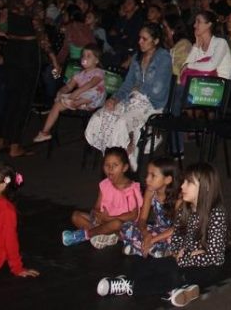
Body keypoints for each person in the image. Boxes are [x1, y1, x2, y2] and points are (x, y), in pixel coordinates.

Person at [97, 163, 230, 308]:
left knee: (173, 274)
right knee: (153, 263)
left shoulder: (216, 214)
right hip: (186, 257)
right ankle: (176, 288)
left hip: (207, 267)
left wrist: (185, 257)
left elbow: (215, 257)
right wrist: (178, 252)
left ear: (205, 187)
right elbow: (178, 236)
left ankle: (131, 287)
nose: (182, 186)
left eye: (189, 183)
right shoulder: (185, 208)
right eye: (184, 181)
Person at [85, 23, 173, 169]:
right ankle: (120, 155)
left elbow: (158, 90)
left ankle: (123, 162)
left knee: (121, 123)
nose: (140, 42)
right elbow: (127, 84)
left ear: (156, 41)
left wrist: (139, 88)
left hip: (151, 104)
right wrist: (115, 98)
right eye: (140, 38)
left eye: (144, 39)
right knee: (102, 116)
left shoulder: (163, 58)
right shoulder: (137, 58)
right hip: (132, 100)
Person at [0, 0, 45, 158]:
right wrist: (52, 57)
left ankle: (0, 140)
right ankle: (15, 145)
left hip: (12, 48)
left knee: (10, 97)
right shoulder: (35, 3)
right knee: (23, 100)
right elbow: (40, 33)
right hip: (27, 51)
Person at [62, 147, 142, 248]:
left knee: (116, 224)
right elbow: (97, 207)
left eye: (115, 165)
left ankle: (86, 235)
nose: (110, 168)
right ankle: (104, 235)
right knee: (75, 216)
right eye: (107, 165)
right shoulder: (105, 184)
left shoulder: (130, 189)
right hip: (104, 222)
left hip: (122, 226)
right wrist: (98, 216)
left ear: (125, 168)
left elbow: (133, 215)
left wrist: (109, 218)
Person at [32, 44, 106, 143]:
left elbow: (91, 84)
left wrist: (75, 93)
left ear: (96, 60)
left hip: (94, 100)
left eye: (89, 56)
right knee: (57, 104)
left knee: (94, 90)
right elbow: (68, 86)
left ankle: (75, 102)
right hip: (79, 101)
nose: (84, 58)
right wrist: (61, 91)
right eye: (83, 55)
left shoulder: (98, 72)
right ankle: (45, 132)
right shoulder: (78, 74)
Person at [121, 157, 180, 258]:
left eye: (153, 176)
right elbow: (142, 219)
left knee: (176, 239)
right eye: (148, 174)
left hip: (173, 232)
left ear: (167, 180)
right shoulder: (150, 191)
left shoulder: (179, 198)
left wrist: (153, 239)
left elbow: (177, 228)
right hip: (158, 230)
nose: (147, 179)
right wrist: (146, 234)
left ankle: (141, 247)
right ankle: (153, 249)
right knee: (126, 226)